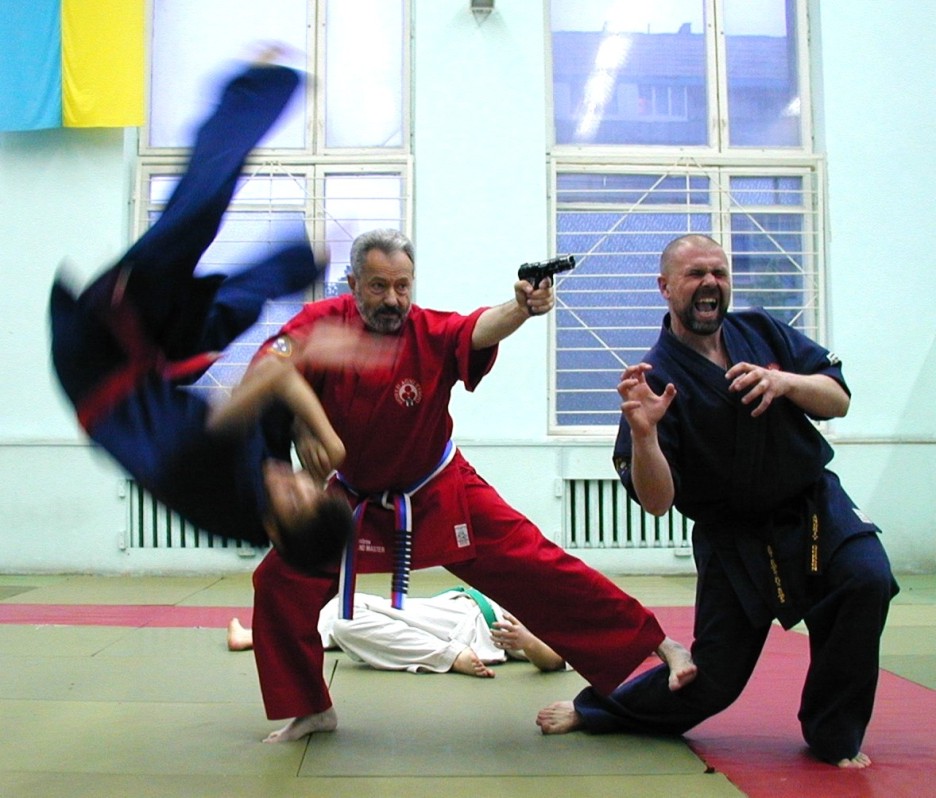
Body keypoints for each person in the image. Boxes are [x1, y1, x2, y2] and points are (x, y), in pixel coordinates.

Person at [246, 227, 697, 744]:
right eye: (377, 286)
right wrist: (305, 427)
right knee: (280, 581)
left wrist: (521, 307)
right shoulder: (317, 324)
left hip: (439, 490)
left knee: (539, 563)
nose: (392, 299)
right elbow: (272, 362)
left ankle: (656, 642)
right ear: (352, 283)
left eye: (402, 286)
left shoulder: (429, 331)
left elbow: (479, 327)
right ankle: (310, 709)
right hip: (353, 499)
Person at [536, 234, 898, 770]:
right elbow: (657, 502)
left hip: (813, 505)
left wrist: (784, 381)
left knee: (866, 579)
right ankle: (596, 709)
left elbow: (837, 400)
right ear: (665, 287)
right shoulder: (654, 378)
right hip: (735, 537)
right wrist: (645, 436)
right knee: (711, 681)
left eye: (719, 273)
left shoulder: (761, 331)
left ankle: (833, 733)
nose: (710, 283)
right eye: (695, 274)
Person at [48, 55, 375, 573]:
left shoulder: (222, 493)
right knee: (232, 308)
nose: (293, 480)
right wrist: (305, 420)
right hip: (156, 366)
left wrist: (313, 376)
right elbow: (273, 370)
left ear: (274, 531)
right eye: (309, 487)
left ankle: (254, 88)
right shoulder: (269, 492)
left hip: (99, 353)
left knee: (194, 215)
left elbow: (269, 376)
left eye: (294, 499)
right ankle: (305, 259)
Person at [227, 588, 567, 677]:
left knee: (345, 615)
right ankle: (264, 636)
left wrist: (527, 641)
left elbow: (554, 660)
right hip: (456, 609)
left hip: (472, 623)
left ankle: (449, 656)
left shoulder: (558, 619)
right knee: (345, 610)